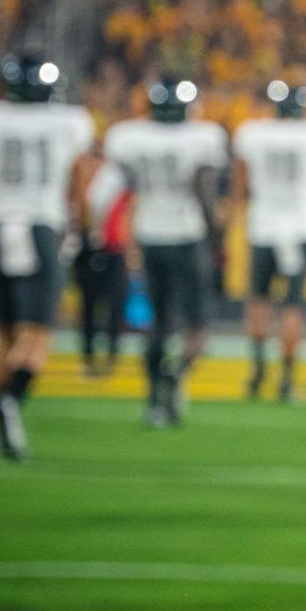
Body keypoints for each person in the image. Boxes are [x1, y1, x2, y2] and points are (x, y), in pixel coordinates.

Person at [0, 54, 96, 460]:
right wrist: (85, 237)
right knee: (37, 336)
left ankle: (7, 421)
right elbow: (80, 190)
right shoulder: (69, 122)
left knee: (5, 338)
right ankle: (10, 401)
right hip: (40, 227)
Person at [103, 77, 228, 427]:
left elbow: (115, 187)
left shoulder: (130, 137)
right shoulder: (202, 137)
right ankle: (175, 373)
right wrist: (217, 238)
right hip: (187, 235)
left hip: (149, 234)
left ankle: (154, 396)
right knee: (197, 328)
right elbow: (203, 194)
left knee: (157, 323)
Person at [230, 79, 306, 402]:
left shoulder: (253, 133)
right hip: (303, 226)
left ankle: (258, 368)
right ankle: (286, 378)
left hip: (264, 225)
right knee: (293, 305)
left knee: (259, 299)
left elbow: (241, 185)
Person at [75, 148, 132, 377]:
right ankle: (88, 358)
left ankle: (110, 358)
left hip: (114, 249)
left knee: (114, 306)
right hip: (88, 248)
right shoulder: (83, 182)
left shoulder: (114, 179)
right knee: (89, 307)